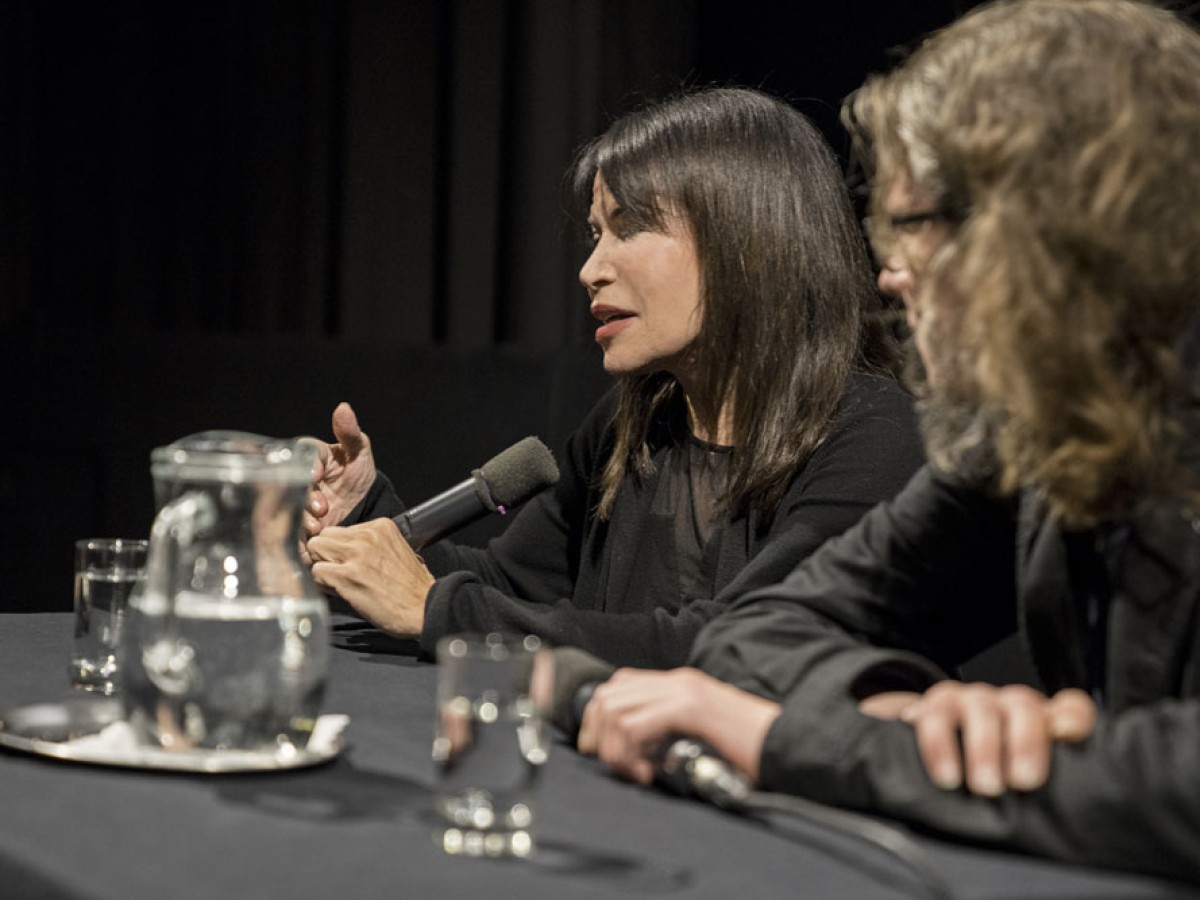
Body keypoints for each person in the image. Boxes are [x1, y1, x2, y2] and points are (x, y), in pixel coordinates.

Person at [575, 0, 1200, 883]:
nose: (889, 274)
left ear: (1062, 225)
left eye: (919, 226)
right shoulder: (1035, 433)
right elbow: (753, 637)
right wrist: (911, 720)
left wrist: (814, 744)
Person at [302, 86, 924, 668]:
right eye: (597, 234)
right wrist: (362, 513)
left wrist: (444, 611)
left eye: (629, 227)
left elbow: (740, 646)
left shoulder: (874, 437)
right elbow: (509, 588)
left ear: (746, 242)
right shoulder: (639, 421)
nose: (591, 269)